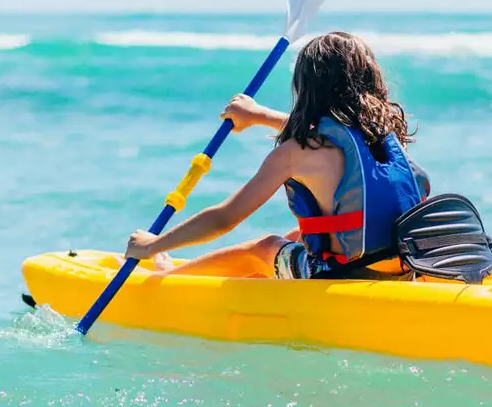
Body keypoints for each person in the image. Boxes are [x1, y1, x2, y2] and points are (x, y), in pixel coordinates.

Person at [124, 31, 430, 279]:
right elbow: (330, 142)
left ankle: (168, 277)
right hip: (405, 266)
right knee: (297, 235)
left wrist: (153, 245)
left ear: (307, 87)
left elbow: (225, 218)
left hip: (347, 274)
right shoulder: (386, 135)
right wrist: (258, 115)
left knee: (264, 248)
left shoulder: (293, 154)